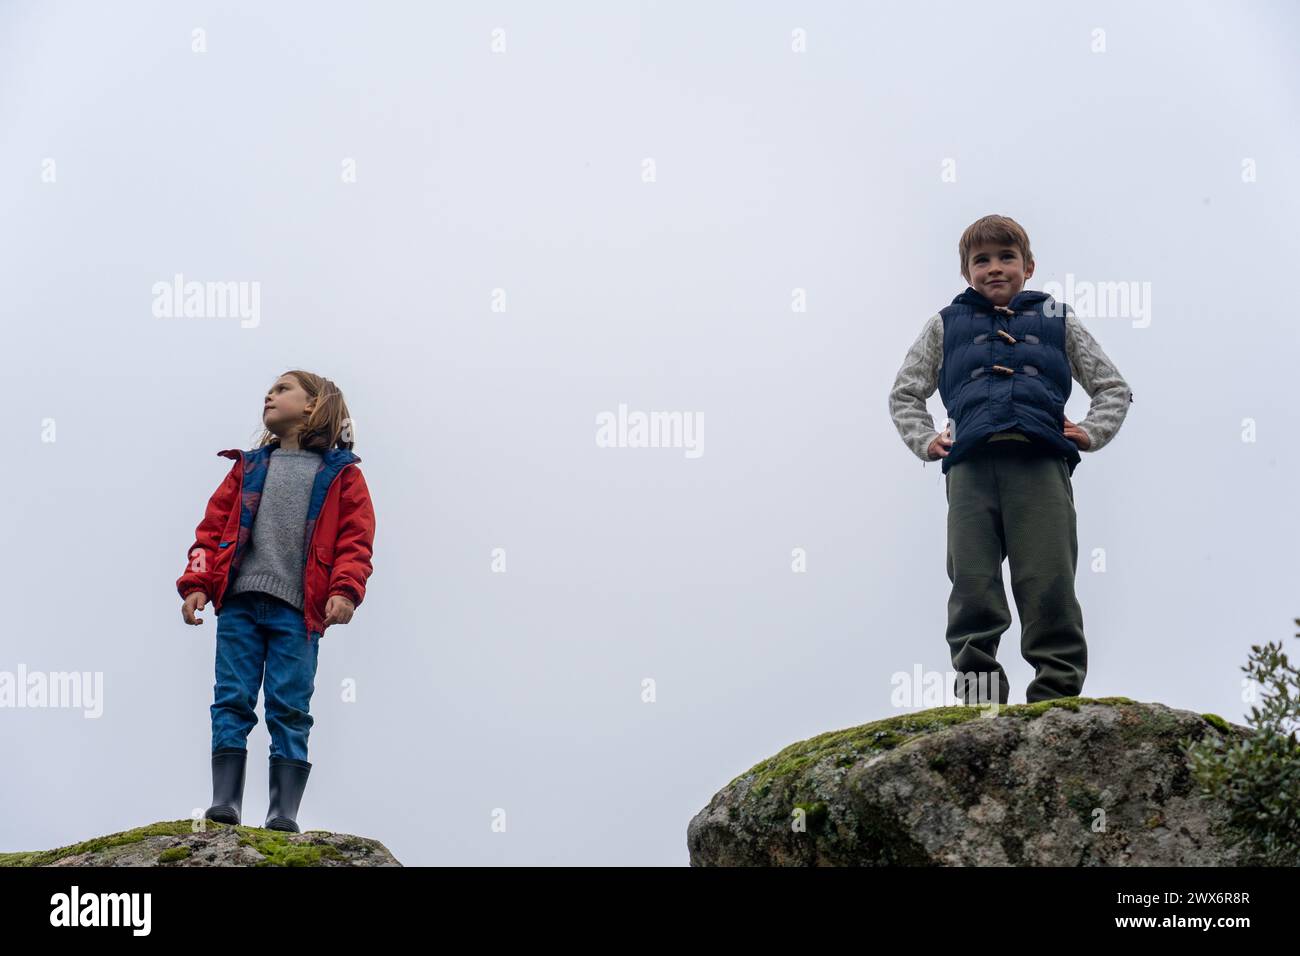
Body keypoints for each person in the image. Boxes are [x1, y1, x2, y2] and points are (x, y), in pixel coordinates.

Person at [888, 215, 1132, 705]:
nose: (994, 268)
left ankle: (1056, 694)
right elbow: (904, 393)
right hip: (970, 469)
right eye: (982, 260)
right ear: (966, 272)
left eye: (1006, 258)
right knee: (972, 583)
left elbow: (1112, 387)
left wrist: (1090, 431)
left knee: (1049, 579)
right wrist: (924, 439)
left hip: (1041, 463)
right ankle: (981, 701)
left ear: (1029, 266)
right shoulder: (945, 324)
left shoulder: (1058, 318)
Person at [176, 371, 376, 830]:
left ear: (314, 405)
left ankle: (282, 813)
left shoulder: (343, 476)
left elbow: (355, 542)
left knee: (289, 708)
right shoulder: (247, 468)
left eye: (284, 388)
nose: (270, 394)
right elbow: (210, 531)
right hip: (241, 604)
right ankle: (224, 803)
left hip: (298, 613)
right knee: (232, 699)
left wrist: (345, 591)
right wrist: (196, 583)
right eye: (271, 389)